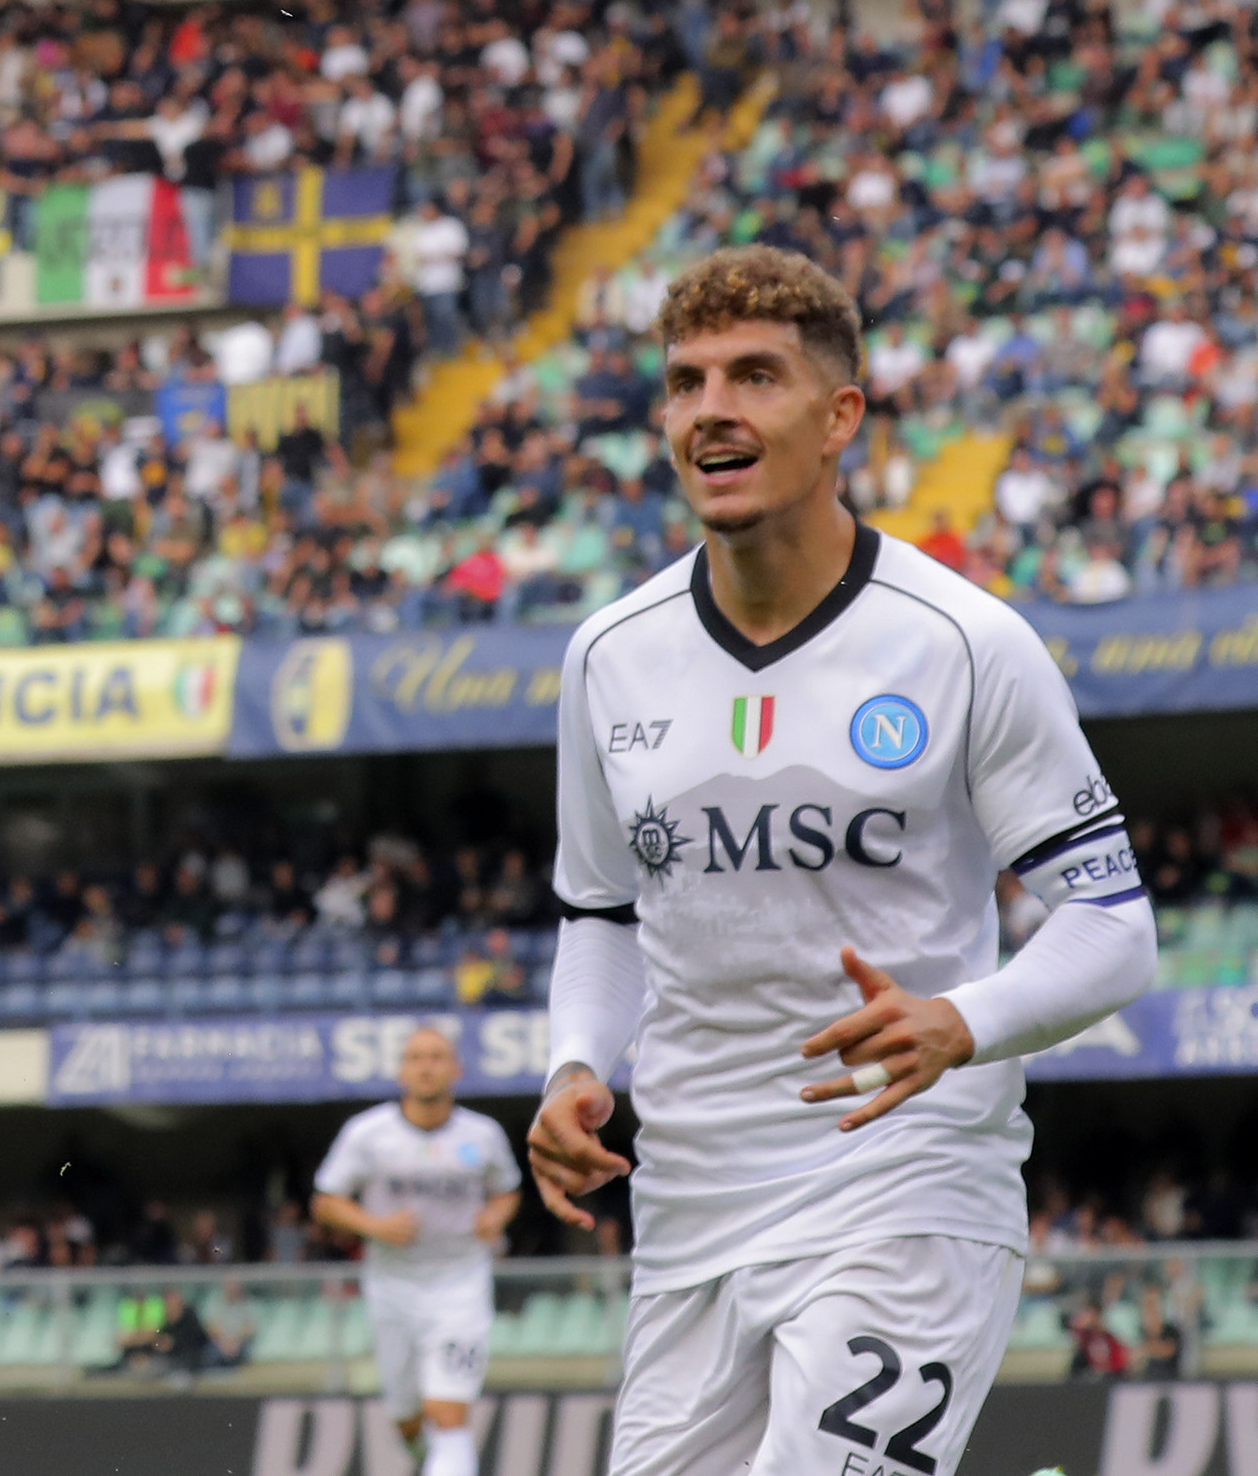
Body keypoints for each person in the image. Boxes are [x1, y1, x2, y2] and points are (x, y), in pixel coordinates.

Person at [529, 247, 1156, 1476]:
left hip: (908, 1184)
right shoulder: (610, 654)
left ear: (839, 416)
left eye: (755, 376)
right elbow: (600, 910)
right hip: (693, 1209)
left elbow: (1114, 922)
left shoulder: (967, 643)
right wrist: (573, 1065)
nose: (712, 407)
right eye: (687, 381)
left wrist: (962, 1022)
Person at [309, 1025, 520, 1476]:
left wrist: (496, 1217)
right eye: (417, 1058)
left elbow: (508, 1191)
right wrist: (374, 1226)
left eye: (437, 1057)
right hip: (392, 1287)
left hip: (460, 1284)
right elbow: (325, 1201)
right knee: (406, 1416)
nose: (427, 1067)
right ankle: (428, 1459)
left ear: (457, 1069)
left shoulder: (482, 1135)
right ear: (402, 1070)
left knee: (448, 1411)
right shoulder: (367, 1133)